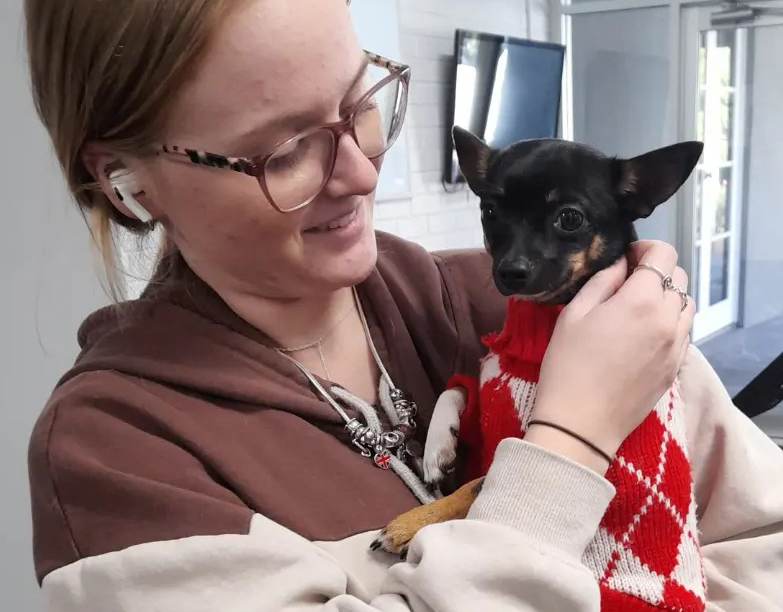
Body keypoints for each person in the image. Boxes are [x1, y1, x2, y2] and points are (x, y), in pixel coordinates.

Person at [24, 0, 783, 610]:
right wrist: (568, 443)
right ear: (126, 180)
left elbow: (761, 531)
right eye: (283, 149)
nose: (360, 173)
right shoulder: (118, 456)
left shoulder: (521, 304)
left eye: (361, 101)